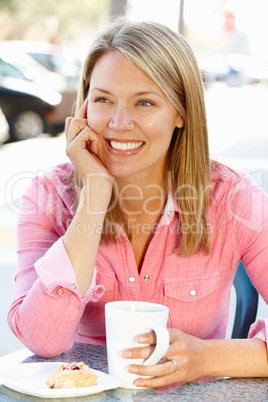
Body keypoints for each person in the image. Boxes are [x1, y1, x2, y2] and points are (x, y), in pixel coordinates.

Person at [8, 18, 268, 388]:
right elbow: (42, 341)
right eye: (103, 100)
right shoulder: (48, 195)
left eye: (144, 102)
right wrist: (94, 197)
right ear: (83, 109)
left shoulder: (233, 197)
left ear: (181, 113)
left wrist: (208, 357)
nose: (119, 122)